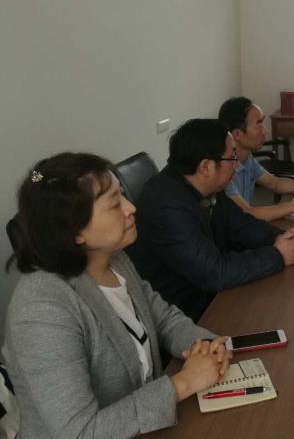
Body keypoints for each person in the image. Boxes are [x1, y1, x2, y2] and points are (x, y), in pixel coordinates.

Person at [2, 153, 233, 438]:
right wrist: (182, 383)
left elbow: (163, 318)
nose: (131, 207)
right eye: (114, 204)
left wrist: (202, 345)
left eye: (122, 194)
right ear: (74, 232)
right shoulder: (42, 311)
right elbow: (80, 432)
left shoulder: (114, 259)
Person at [127, 119, 294, 321]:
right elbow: (214, 273)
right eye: (232, 157)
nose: (237, 164)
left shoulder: (204, 186)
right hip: (188, 315)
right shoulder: (167, 207)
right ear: (206, 167)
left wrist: (285, 239)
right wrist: (278, 255)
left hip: (213, 295)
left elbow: (241, 225)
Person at [218, 96, 294, 221]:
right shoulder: (222, 170)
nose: (265, 131)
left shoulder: (247, 158)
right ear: (237, 134)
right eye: (259, 124)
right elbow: (247, 213)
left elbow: (274, 183)